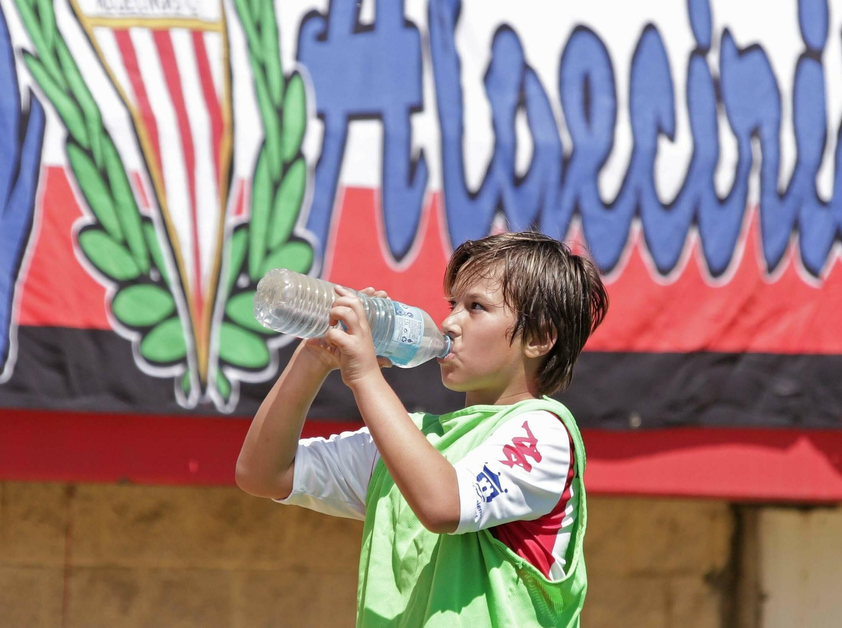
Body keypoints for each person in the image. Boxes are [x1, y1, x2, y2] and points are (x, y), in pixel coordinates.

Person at [236, 231, 609, 627]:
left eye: (476, 307)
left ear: (539, 339)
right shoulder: (412, 441)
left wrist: (364, 376)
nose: (449, 322)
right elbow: (263, 473)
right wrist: (313, 359)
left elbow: (444, 504)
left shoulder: (544, 433)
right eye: (453, 304)